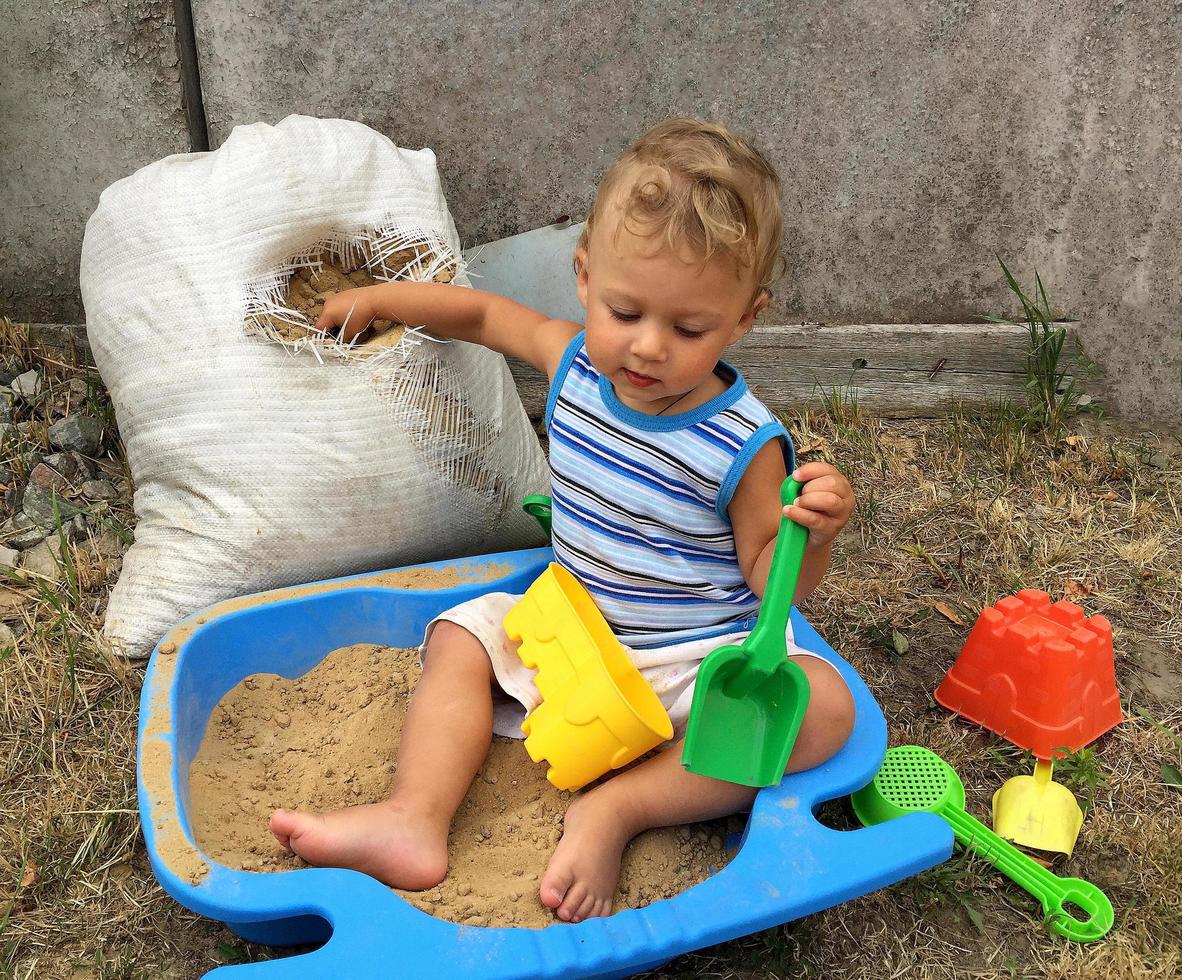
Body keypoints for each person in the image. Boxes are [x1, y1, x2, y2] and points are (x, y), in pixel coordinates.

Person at [270, 119, 857, 924]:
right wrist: (380, 301)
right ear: (584, 276)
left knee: (824, 707)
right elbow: (477, 317)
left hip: (693, 660)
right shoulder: (573, 359)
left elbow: (768, 580)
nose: (648, 347)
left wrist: (811, 538)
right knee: (459, 638)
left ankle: (620, 808)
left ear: (744, 320)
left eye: (689, 329)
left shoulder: (744, 444)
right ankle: (414, 816)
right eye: (626, 311)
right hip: (574, 634)